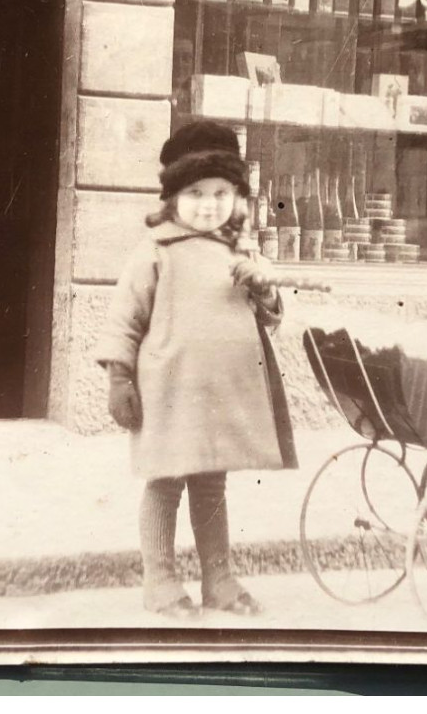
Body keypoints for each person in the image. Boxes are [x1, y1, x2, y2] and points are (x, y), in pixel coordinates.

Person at [94, 120, 298, 619]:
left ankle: (219, 581)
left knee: (211, 486)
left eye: (221, 193)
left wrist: (265, 289)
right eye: (196, 193)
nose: (209, 204)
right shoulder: (155, 252)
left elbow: (270, 318)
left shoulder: (241, 252)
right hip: (169, 391)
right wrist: (119, 376)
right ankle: (160, 584)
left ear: (237, 197)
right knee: (165, 482)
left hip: (222, 394)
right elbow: (125, 317)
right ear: (172, 197)